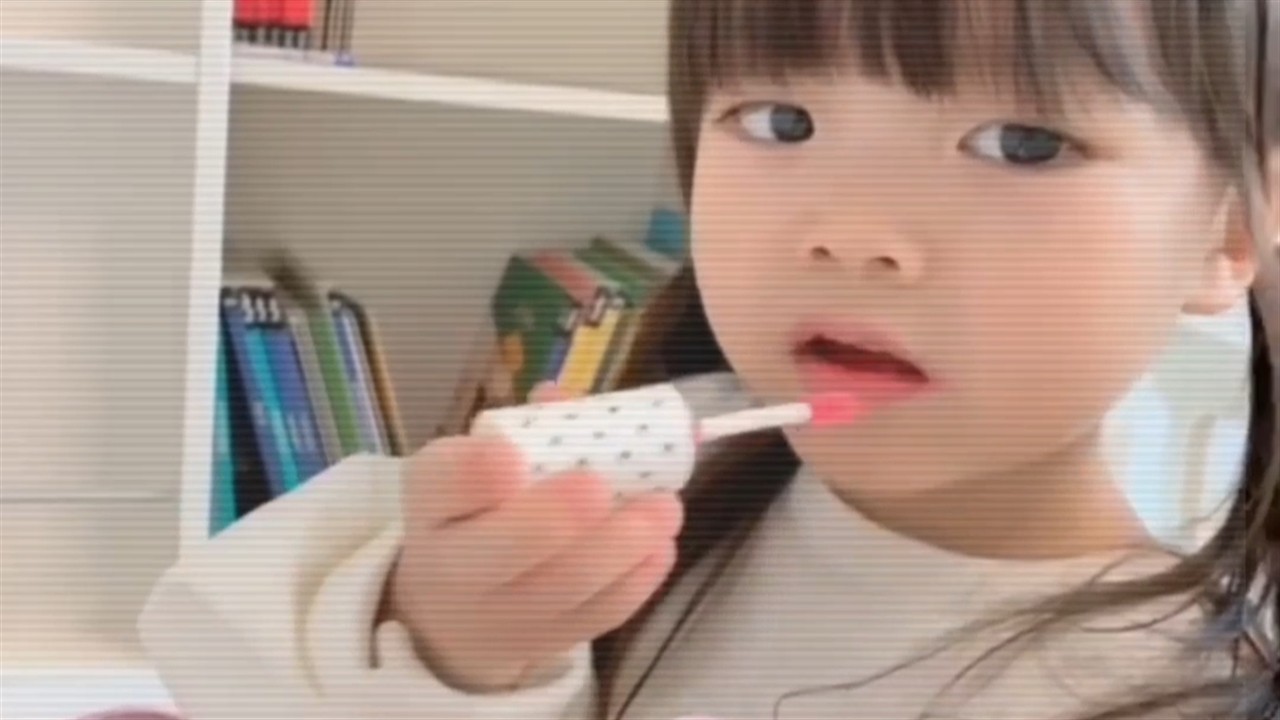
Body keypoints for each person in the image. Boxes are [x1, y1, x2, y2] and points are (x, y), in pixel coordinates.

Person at [139, 1, 1280, 718]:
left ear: (1228, 232)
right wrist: (441, 651)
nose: (851, 233)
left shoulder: (1181, 691)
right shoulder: (626, 490)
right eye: (780, 122)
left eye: (1021, 145)